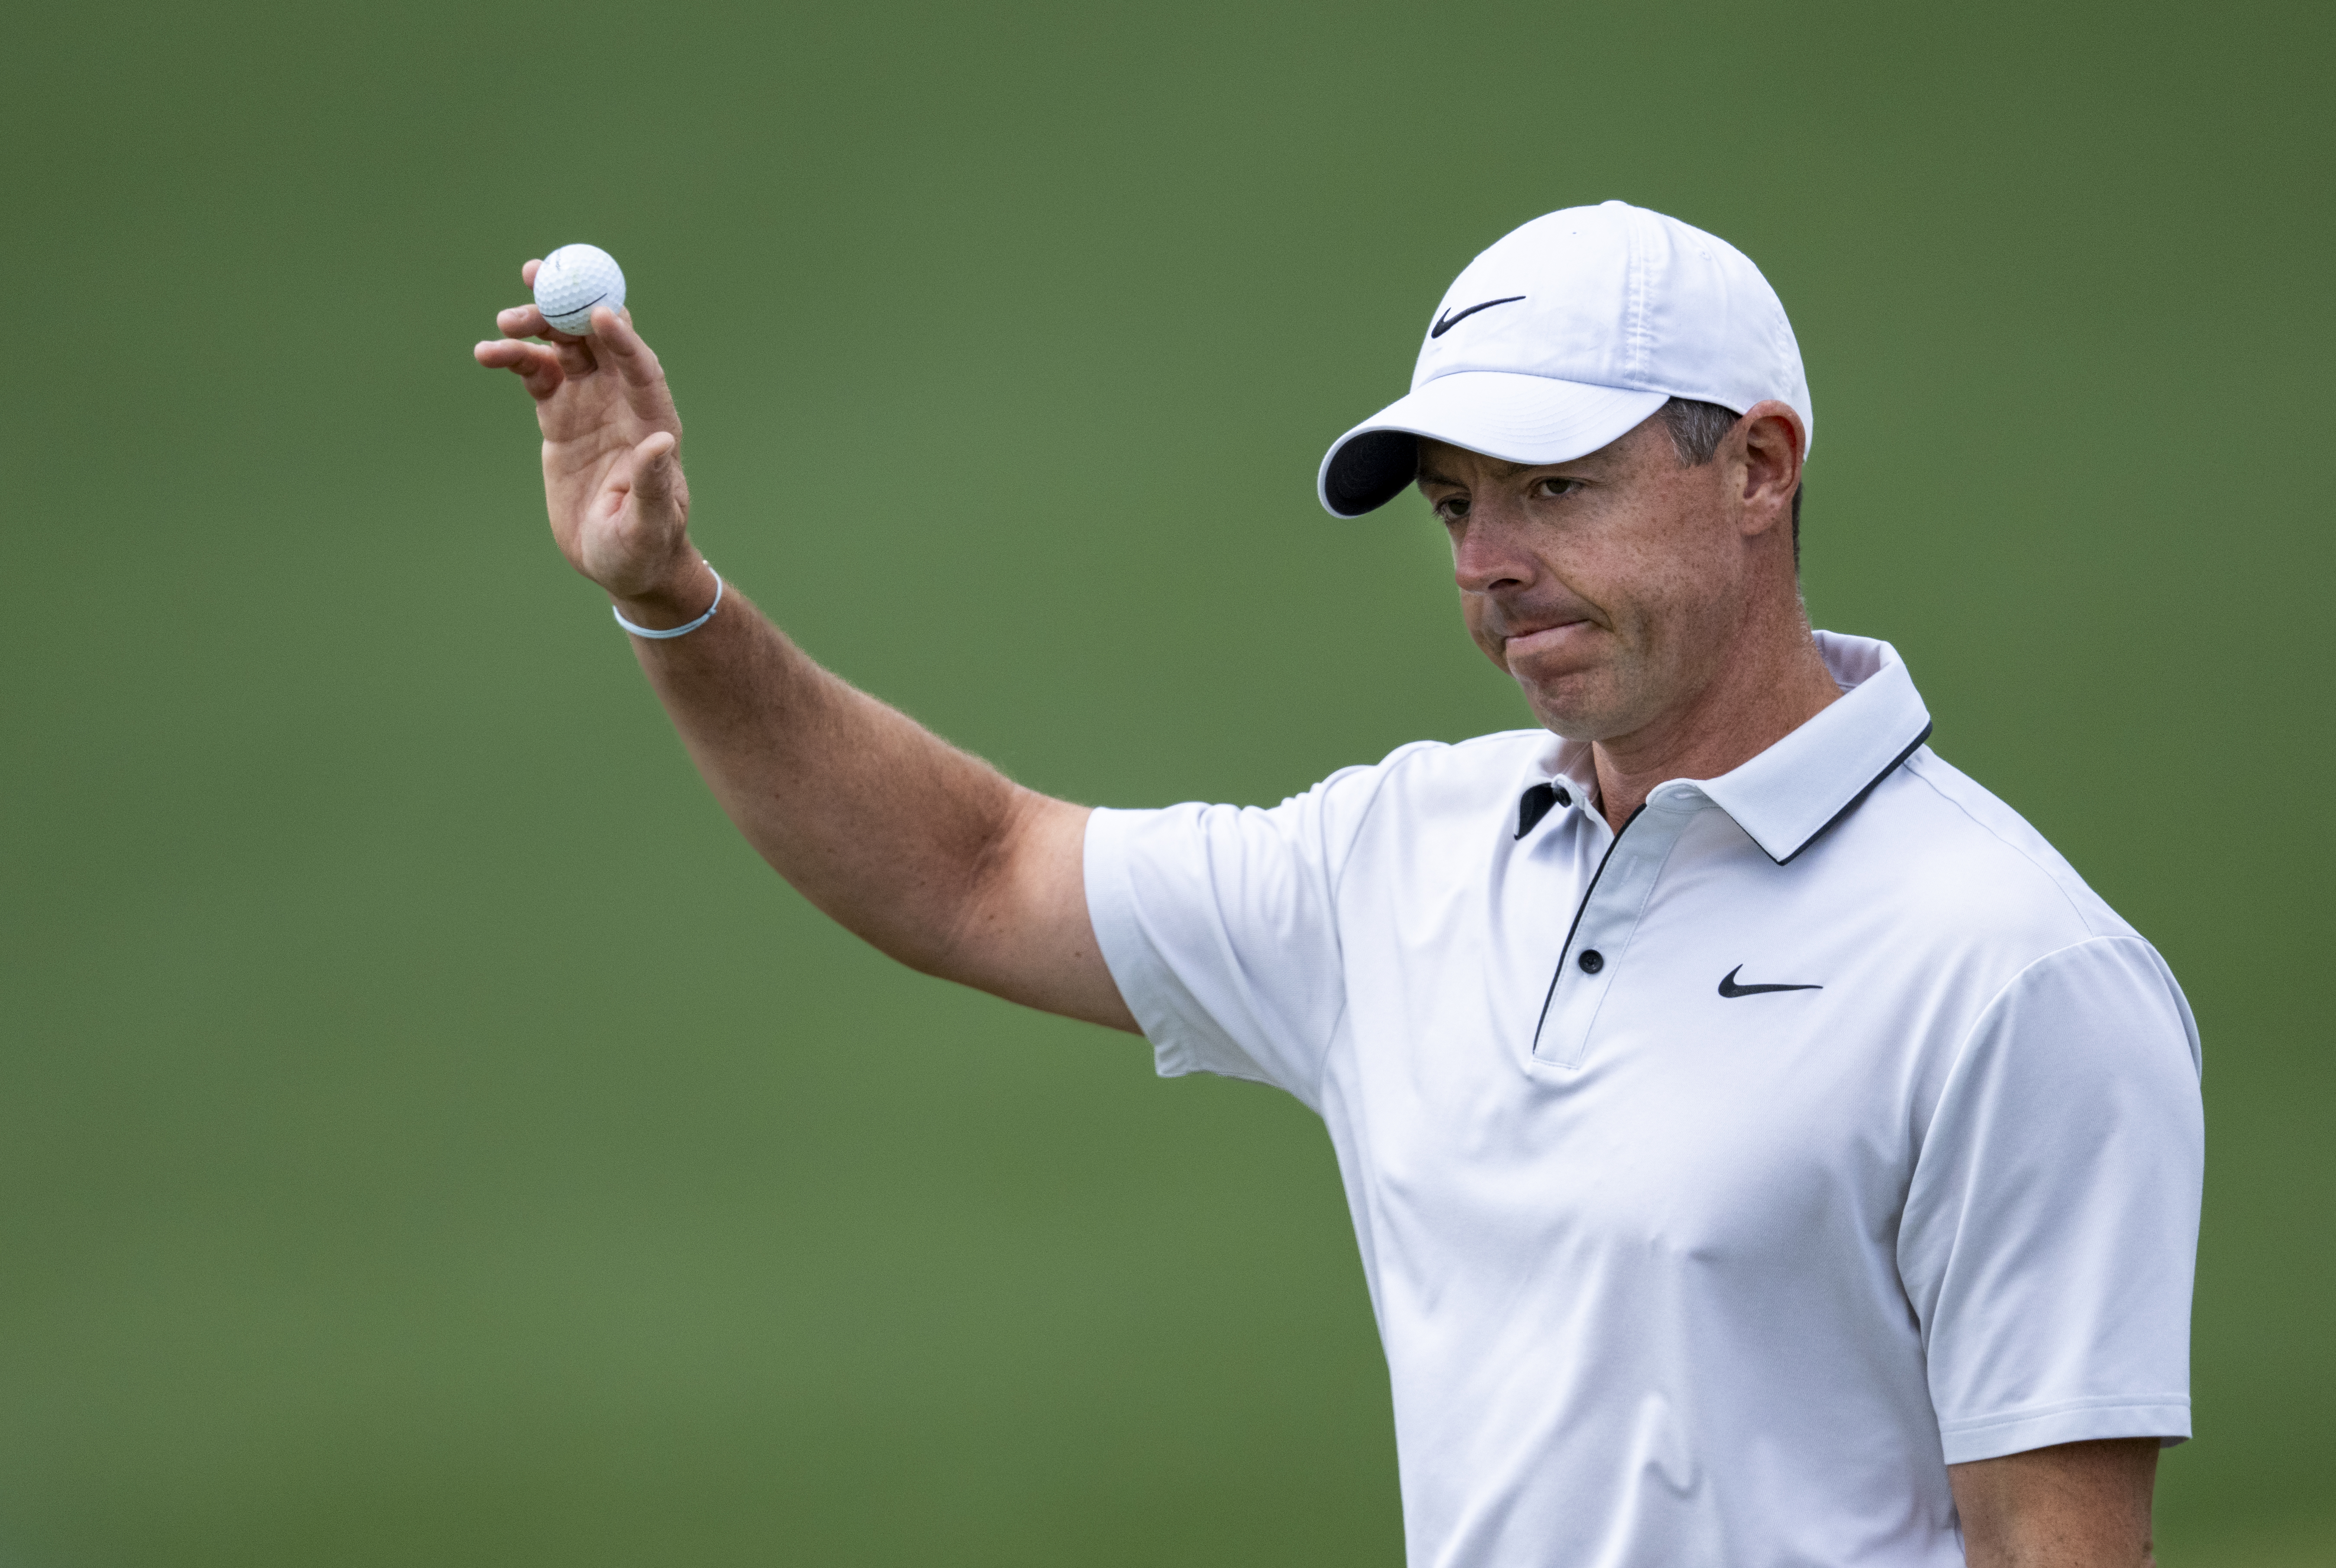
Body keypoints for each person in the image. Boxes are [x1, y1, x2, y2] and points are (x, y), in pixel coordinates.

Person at [474, 201, 2203, 1568]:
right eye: (1454, 508)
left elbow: (2048, 1548)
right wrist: (671, 601)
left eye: (1555, 489)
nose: (1490, 565)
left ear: (1756, 467)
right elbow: (972, 871)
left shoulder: (2013, 972)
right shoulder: (1398, 854)